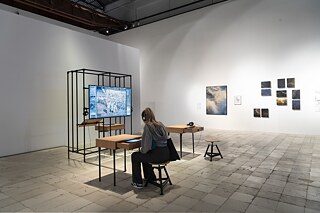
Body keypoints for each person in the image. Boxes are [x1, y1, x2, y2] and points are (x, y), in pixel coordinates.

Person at [131, 107, 170, 189]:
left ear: (144, 117)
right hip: (166, 154)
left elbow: (146, 147)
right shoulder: (161, 124)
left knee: (135, 156)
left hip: (156, 156)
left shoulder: (148, 127)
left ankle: (137, 182)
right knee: (145, 155)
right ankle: (150, 177)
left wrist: (142, 150)